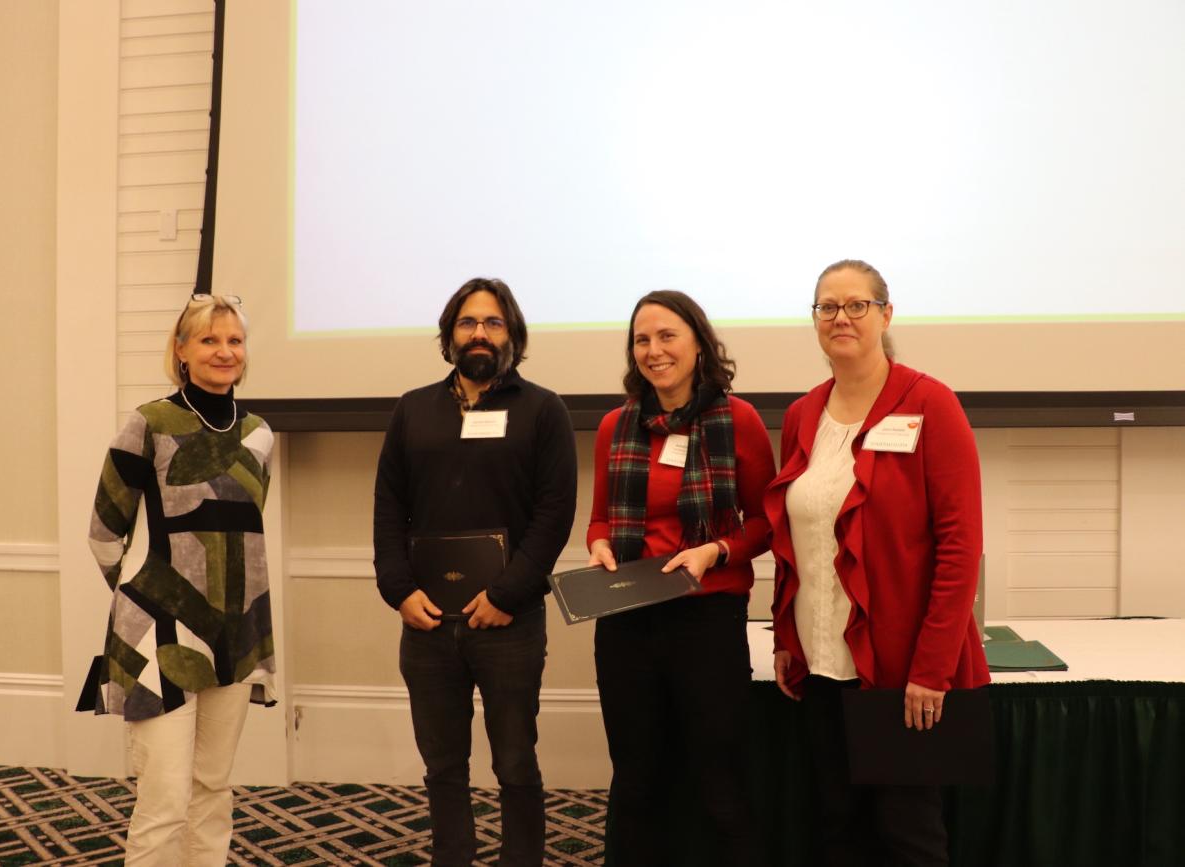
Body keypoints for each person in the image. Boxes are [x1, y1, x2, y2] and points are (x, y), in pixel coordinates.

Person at [766, 260, 990, 866]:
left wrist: (932, 668)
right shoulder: (802, 414)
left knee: (908, 835)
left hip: (900, 669)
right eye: (827, 307)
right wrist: (786, 634)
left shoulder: (931, 404)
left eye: (856, 305)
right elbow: (796, 537)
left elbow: (960, 547)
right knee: (837, 829)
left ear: (885, 315)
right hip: (819, 661)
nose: (841, 317)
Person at [373, 277, 577, 867]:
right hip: (427, 619)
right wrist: (399, 590)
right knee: (442, 765)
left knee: (515, 761)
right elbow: (390, 506)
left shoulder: (543, 410)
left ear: (511, 334)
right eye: (468, 323)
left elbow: (553, 514)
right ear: (450, 334)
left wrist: (510, 593)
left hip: (508, 620)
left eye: (492, 323)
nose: (480, 333)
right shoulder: (413, 409)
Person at [80, 293, 276, 865]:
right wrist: (144, 601)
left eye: (234, 340)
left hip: (236, 635)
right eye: (209, 340)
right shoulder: (151, 423)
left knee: (213, 790)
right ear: (181, 351)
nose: (224, 351)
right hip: (159, 639)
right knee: (164, 800)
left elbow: (243, 536)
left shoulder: (261, 433)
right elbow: (102, 533)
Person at [586, 290, 776, 867]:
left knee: (718, 780)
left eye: (667, 336)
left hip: (706, 618)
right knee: (636, 781)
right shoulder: (615, 426)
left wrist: (715, 550)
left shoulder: (737, 421)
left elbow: (767, 523)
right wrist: (598, 544)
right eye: (642, 339)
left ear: (698, 342)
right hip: (626, 621)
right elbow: (599, 518)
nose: (654, 350)